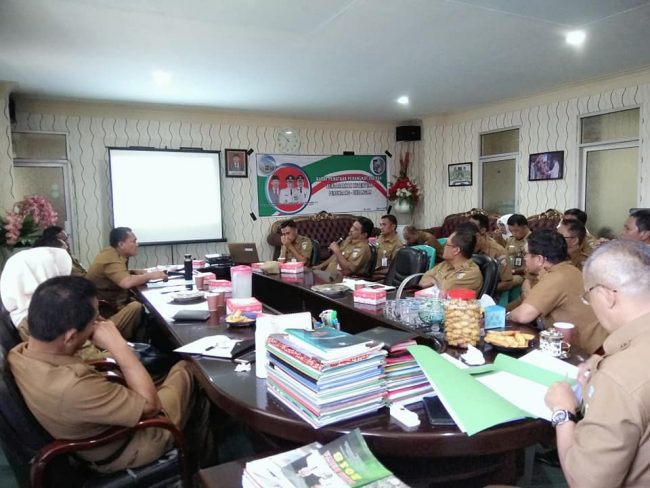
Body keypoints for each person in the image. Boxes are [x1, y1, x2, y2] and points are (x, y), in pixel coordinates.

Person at [8, 276, 213, 473]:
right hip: (130, 444)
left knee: (167, 374)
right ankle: (207, 466)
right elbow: (151, 406)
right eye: (94, 321)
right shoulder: (73, 387)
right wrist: (118, 345)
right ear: (70, 337)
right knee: (190, 367)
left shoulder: (19, 354)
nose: (100, 324)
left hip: (100, 418)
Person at [544, 240, 650, 487]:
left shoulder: (619, 376)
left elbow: (584, 483)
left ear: (606, 295)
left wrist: (563, 411)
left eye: (588, 296)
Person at [507, 229, 608, 354]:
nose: (525, 258)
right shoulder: (569, 270)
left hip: (590, 352)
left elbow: (523, 315)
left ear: (539, 259)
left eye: (526, 254)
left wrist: (507, 316)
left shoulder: (557, 277)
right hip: (593, 344)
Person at [86, 227, 166, 340]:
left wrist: (132, 272)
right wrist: (150, 276)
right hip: (103, 317)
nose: (137, 245)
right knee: (136, 307)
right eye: (133, 241)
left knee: (145, 311)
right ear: (121, 244)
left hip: (110, 307)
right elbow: (126, 283)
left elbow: (115, 275)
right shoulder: (111, 258)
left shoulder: (111, 252)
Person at [418, 227, 483, 294]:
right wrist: (436, 282)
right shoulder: (445, 264)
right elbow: (422, 281)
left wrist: (434, 281)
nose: (443, 247)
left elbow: (445, 289)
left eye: (446, 245)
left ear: (456, 250)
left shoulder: (471, 273)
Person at [468, 214, 513, 293]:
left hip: (489, 293)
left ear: (482, 231)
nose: (468, 228)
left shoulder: (498, 251)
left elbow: (507, 283)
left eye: (473, 226)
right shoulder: (464, 243)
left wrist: (483, 290)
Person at [373, 214, 402, 280]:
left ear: (393, 227)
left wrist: (376, 272)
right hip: (371, 272)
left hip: (383, 277)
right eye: (380, 225)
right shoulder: (380, 238)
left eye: (384, 225)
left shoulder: (397, 245)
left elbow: (394, 268)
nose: (381, 227)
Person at [505, 214, 530, 284]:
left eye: (516, 231)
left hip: (524, 276)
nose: (513, 234)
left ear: (525, 227)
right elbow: (505, 257)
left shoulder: (533, 240)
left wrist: (513, 271)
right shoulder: (510, 240)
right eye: (511, 231)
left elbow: (531, 266)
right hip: (509, 272)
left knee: (505, 282)